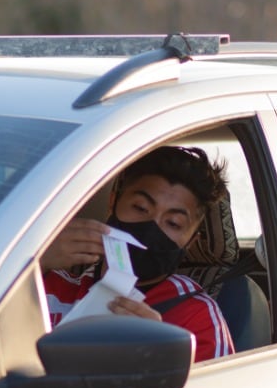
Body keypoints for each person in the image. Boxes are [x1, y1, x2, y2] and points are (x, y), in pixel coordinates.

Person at [41, 145, 234, 362]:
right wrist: (33, 264)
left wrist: (158, 357)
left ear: (190, 242)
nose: (151, 229)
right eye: (140, 208)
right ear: (113, 203)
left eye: (173, 223)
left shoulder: (196, 316)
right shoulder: (49, 282)